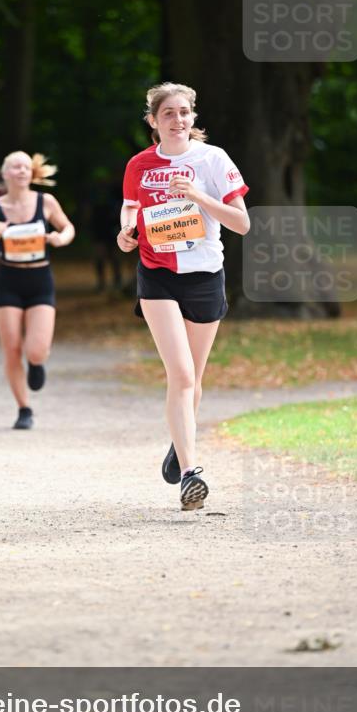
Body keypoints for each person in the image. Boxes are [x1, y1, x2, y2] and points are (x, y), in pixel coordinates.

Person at [117, 82, 250, 511]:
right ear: (153, 121)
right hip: (157, 275)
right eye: (168, 113)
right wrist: (125, 234)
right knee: (181, 374)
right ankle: (192, 473)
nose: (178, 120)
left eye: (185, 112)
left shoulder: (213, 160)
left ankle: (180, 441)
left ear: (194, 118)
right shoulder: (139, 164)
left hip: (206, 274)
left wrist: (198, 196)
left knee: (194, 378)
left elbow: (242, 224)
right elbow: (130, 210)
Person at [0, 150, 75, 429]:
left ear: (31, 174)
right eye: (15, 167)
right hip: (8, 281)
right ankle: (24, 408)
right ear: (5, 174)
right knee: (11, 349)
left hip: (40, 280)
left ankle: (36, 363)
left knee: (36, 349)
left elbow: (68, 227)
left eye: (25, 167)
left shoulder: (46, 202)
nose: (21, 171)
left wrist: (60, 238)